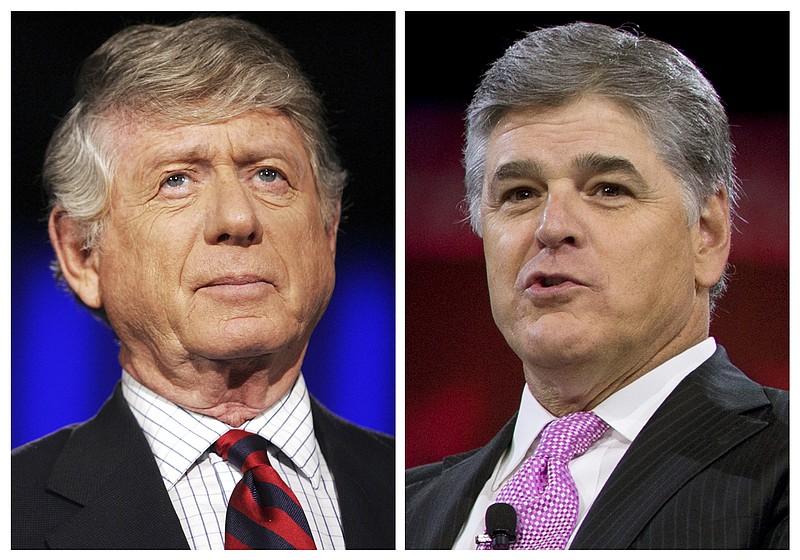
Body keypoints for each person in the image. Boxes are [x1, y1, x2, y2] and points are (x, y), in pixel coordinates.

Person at [12, 15, 394, 550]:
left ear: (328, 230)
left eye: (268, 174)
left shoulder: (419, 497)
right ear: (83, 254)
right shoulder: (15, 514)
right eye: (176, 180)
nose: (237, 219)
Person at [405, 22, 788, 550]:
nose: (551, 225)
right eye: (519, 193)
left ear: (707, 234)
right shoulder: (397, 514)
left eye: (608, 189)